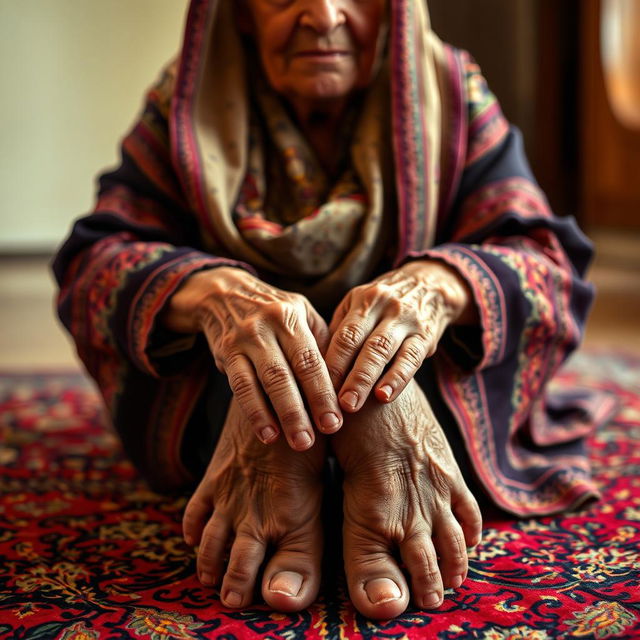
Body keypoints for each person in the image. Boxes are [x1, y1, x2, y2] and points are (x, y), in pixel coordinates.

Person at [53, 0, 599, 620]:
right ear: (238, 13)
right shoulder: (192, 94)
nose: (324, 13)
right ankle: (286, 430)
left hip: (422, 370)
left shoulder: (449, 90)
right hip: (222, 380)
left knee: (388, 369)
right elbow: (95, 264)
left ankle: (367, 430)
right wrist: (218, 296)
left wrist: (431, 288)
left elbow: (544, 265)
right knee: (257, 373)